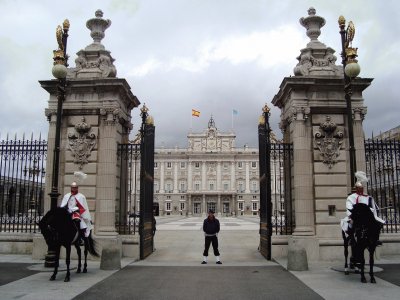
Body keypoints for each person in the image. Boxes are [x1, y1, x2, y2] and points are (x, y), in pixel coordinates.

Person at [341, 171, 384, 246]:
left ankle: (375, 239)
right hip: (356, 216)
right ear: (356, 188)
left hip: (368, 216)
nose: (361, 190)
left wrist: (371, 211)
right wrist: (353, 214)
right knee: (351, 224)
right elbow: (349, 208)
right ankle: (351, 238)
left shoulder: (369, 197)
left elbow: (374, 208)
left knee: (377, 224)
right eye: (359, 188)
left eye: (362, 188)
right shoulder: (351, 197)